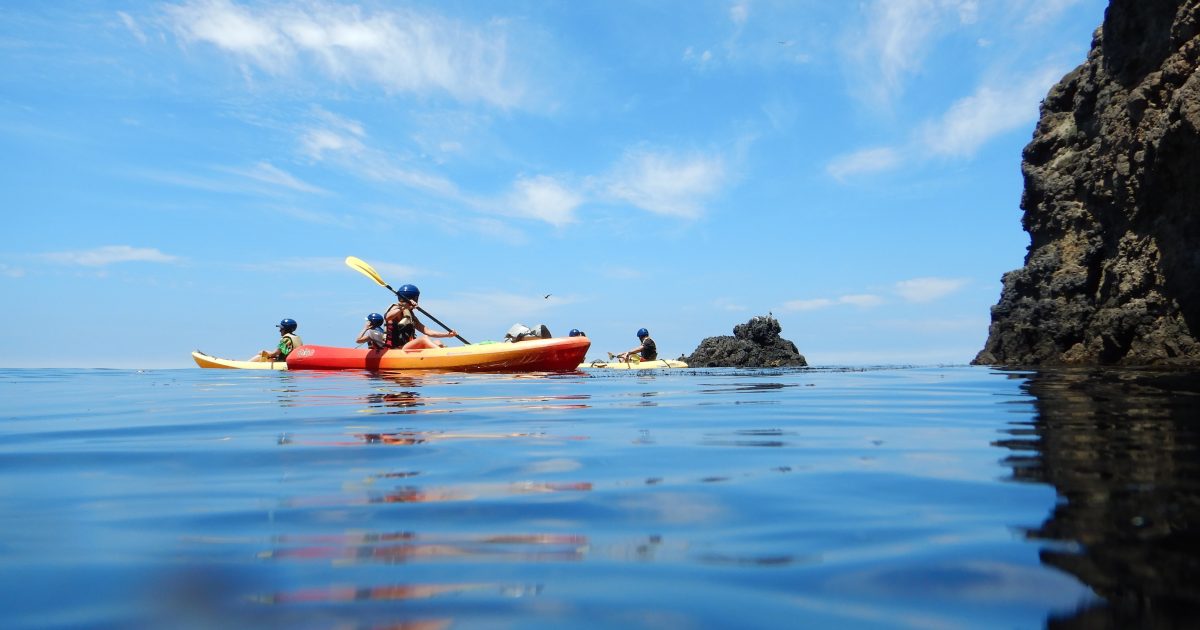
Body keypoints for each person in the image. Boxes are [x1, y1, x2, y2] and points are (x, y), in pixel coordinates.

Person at [384, 284, 457, 350]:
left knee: (438, 343)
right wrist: (403, 307)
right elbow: (387, 317)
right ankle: (443, 354)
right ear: (414, 298)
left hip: (406, 347)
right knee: (423, 339)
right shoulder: (396, 308)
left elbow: (427, 331)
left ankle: (444, 355)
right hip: (395, 349)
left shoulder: (409, 314)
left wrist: (447, 334)